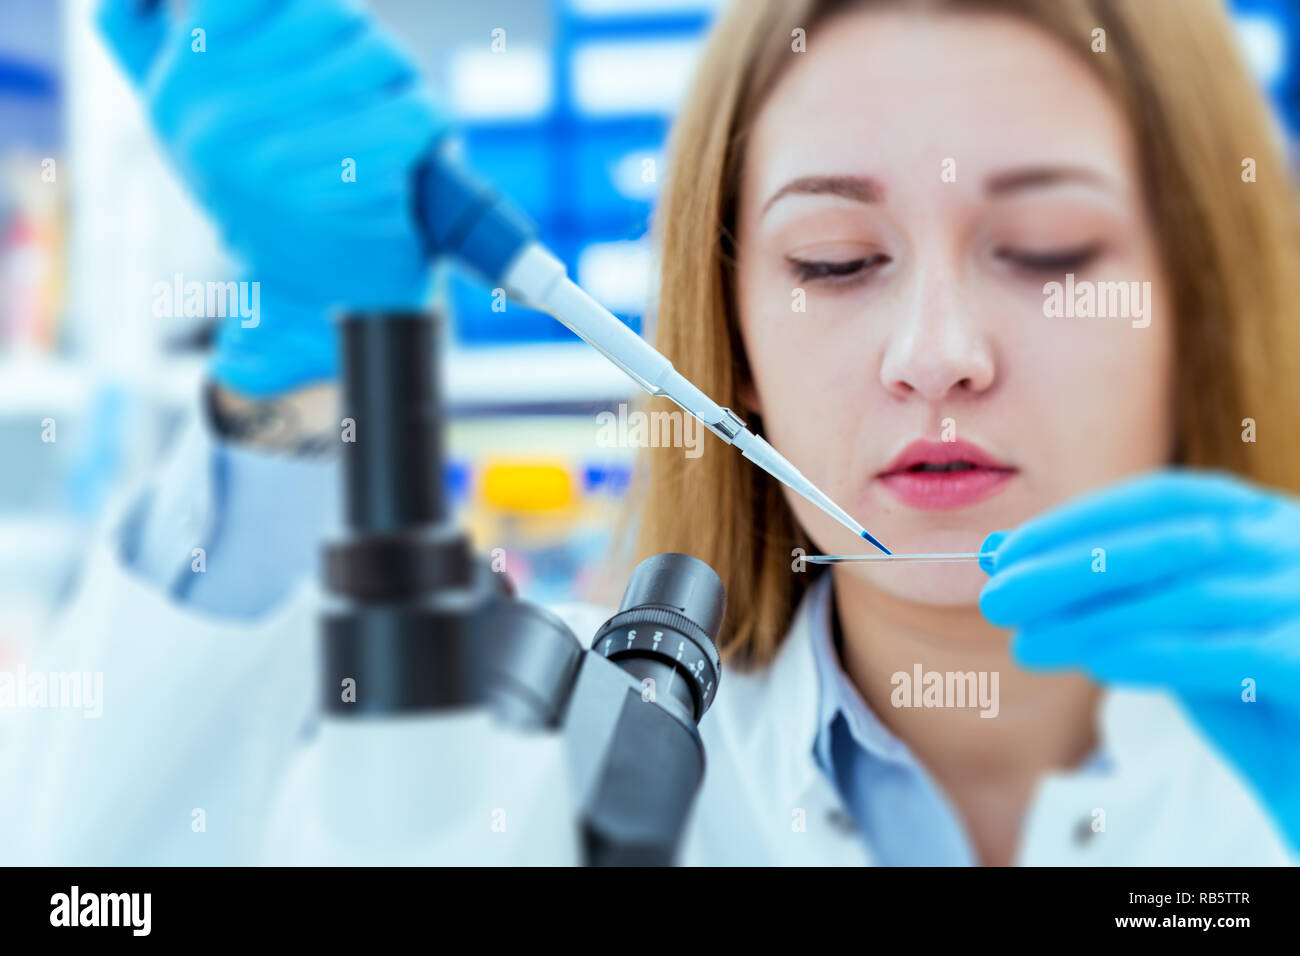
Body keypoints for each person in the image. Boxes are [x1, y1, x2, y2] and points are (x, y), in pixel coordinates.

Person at [3, 0, 1296, 865]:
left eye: (1046, 251)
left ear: (1197, 294)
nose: (937, 355)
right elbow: (97, 878)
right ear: (729, 338)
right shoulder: (547, 748)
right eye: (839, 263)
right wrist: (298, 389)